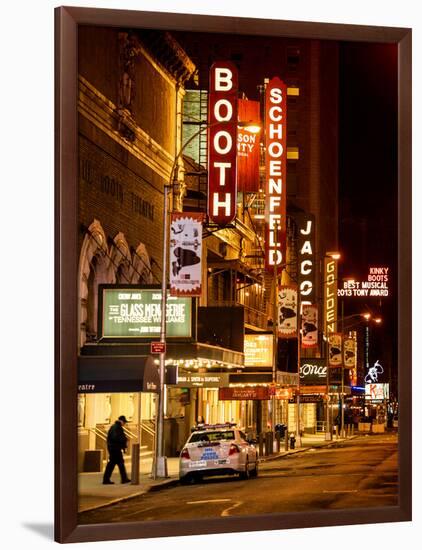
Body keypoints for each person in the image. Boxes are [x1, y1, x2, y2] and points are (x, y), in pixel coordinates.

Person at [102, 415, 131, 485]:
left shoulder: (116, 427)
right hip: (115, 448)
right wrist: (124, 440)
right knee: (116, 463)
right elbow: (116, 438)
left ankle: (122, 478)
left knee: (115, 463)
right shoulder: (116, 427)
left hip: (114, 448)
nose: (124, 424)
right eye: (124, 422)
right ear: (121, 421)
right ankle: (122, 479)